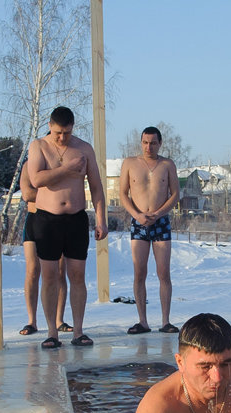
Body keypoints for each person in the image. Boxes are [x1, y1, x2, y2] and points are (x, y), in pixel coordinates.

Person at [25, 105, 108, 349]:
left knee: (77, 275)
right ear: (50, 126)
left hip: (76, 218)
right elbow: (37, 179)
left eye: (68, 133)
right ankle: (52, 332)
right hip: (47, 219)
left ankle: (78, 331)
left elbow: (96, 187)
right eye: (59, 132)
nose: (63, 138)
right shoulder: (38, 146)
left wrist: (101, 219)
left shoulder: (84, 149)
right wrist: (67, 169)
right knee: (50, 276)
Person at [120, 126, 180, 335]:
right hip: (139, 223)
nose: (148, 147)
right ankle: (142, 321)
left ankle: (165, 321)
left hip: (160, 222)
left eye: (153, 143)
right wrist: (137, 215)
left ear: (160, 143)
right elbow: (123, 194)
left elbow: (175, 194)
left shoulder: (167, 165)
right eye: (145, 142)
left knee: (163, 272)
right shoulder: (130, 163)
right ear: (141, 143)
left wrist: (160, 212)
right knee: (140, 272)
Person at [18, 152, 71, 336]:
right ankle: (32, 321)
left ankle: (59, 320)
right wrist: (52, 193)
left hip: (58, 220)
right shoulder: (28, 167)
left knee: (59, 271)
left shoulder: (59, 165)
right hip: (34, 219)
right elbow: (27, 194)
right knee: (33, 270)